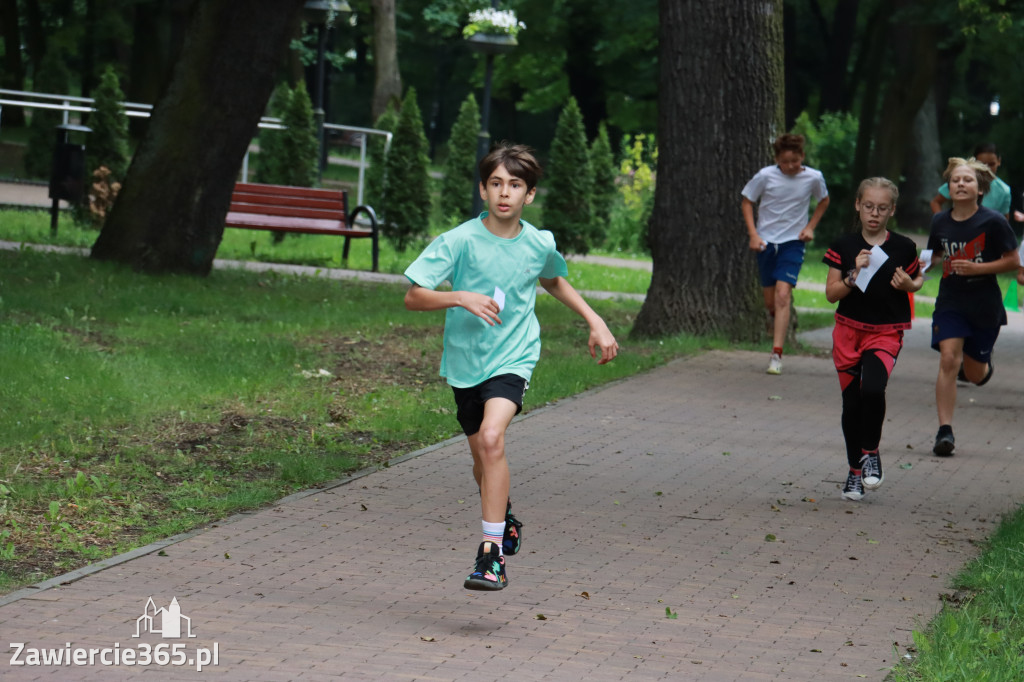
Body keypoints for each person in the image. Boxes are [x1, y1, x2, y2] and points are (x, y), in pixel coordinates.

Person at [403, 143, 619, 591]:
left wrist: (595, 320)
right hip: (465, 363)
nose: (505, 193)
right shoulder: (459, 240)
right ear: (483, 190)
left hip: (514, 356)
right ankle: (505, 517)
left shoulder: (539, 241)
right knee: (483, 459)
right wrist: (459, 296)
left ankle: (491, 554)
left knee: (491, 437)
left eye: (515, 185)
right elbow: (414, 295)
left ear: (530, 195)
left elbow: (552, 276)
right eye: (496, 183)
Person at [822, 178, 923, 501]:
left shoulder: (904, 247)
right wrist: (853, 274)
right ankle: (854, 472)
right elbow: (830, 293)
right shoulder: (844, 245)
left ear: (891, 210)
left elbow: (916, 280)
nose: (874, 214)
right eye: (868, 207)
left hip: (885, 332)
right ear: (857, 206)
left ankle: (872, 451)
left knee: (873, 389)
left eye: (881, 208)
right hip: (848, 331)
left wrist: (910, 284)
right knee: (851, 405)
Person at [927, 157, 1019, 457]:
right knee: (948, 359)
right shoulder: (940, 221)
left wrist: (978, 269)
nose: (961, 184)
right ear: (948, 187)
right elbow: (935, 254)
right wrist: (917, 268)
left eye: (967, 180)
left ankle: (983, 364)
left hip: (984, 305)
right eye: (955, 180)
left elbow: (1013, 261)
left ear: (980, 189)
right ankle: (945, 431)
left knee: (975, 375)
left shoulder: (993, 221)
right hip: (951, 301)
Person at [742, 133, 830, 375]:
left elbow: (824, 200)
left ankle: (776, 355)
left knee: (783, 296)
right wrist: (753, 234)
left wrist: (810, 227)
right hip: (766, 242)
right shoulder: (765, 176)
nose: (790, 166)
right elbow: (747, 201)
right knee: (771, 301)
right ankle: (775, 317)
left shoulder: (814, 177)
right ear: (776, 159)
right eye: (785, 161)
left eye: (795, 160)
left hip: (793, 242)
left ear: (802, 156)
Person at [930, 142, 1011, 220]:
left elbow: (1004, 219)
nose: (987, 168)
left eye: (991, 164)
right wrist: (944, 222)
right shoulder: (959, 183)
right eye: (982, 164)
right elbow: (936, 202)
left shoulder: (1004, 190)